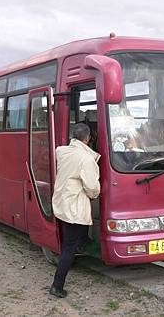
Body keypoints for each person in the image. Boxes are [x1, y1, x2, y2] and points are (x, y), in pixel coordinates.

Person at [49, 123, 100, 298]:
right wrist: (95, 194)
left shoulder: (61, 151)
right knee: (69, 248)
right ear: (87, 139)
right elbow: (92, 187)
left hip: (62, 204)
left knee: (72, 241)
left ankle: (83, 243)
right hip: (74, 207)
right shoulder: (85, 159)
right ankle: (57, 285)